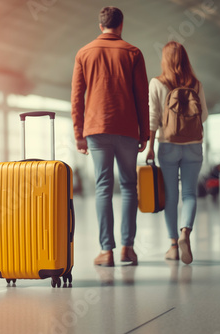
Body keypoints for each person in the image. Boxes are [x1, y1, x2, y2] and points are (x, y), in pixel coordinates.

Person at [71, 6, 149, 266]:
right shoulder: (133, 53)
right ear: (121, 25)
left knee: (103, 188)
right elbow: (142, 97)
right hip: (127, 129)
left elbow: (77, 97)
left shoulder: (84, 52)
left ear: (100, 25)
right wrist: (145, 133)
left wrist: (78, 133)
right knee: (128, 187)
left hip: (96, 129)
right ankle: (128, 249)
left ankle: (107, 252)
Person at [147, 41, 208, 265]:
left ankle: (173, 246)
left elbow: (153, 117)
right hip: (193, 144)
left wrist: (150, 146)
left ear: (165, 59)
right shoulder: (196, 84)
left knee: (171, 197)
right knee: (190, 194)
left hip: (168, 144)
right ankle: (185, 234)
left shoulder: (157, 83)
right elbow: (203, 117)